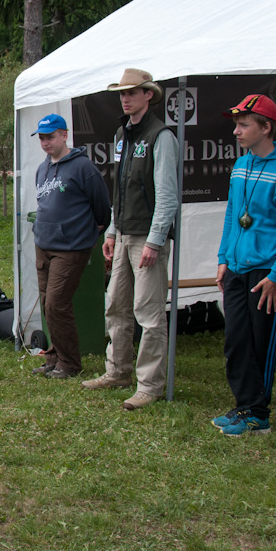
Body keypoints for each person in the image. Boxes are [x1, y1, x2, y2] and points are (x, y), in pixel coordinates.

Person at [85, 69, 180, 411]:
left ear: (148, 95)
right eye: (122, 93)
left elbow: (168, 195)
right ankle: (118, 371)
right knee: (116, 305)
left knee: (149, 312)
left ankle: (150, 384)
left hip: (146, 237)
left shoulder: (161, 136)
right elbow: (119, 189)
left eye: (132, 93)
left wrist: (155, 241)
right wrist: (111, 231)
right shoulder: (122, 134)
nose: (125, 98)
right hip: (123, 233)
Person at [212, 94, 276, 436]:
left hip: (267, 272)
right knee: (236, 340)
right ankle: (243, 405)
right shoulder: (241, 166)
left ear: (266, 128)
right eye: (236, 125)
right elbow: (233, 217)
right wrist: (224, 258)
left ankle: (258, 414)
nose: (237, 131)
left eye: (244, 125)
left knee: (259, 342)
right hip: (237, 266)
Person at [29, 114, 112, 382]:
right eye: (42, 138)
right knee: (47, 304)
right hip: (44, 243)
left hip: (71, 247)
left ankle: (70, 362)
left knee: (57, 303)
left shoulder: (83, 167)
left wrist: (95, 228)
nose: (45, 143)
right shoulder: (42, 169)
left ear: (64, 135)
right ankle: (54, 357)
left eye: (50, 137)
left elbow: (102, 206)